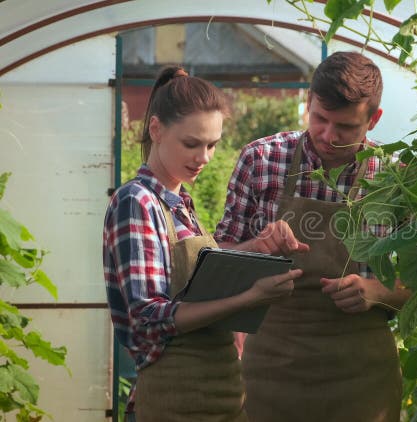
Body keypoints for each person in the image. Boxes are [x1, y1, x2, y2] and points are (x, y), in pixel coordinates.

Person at [216, 51, 412, 421]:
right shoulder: (261, 160)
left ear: (374, 120)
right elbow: (220, 264)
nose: (327, 134)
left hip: (362, 381)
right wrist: (256, 247)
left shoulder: (396, 180)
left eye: (345, 127)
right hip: (271, 374)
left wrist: (378, 292)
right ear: (308, 102)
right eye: (319, 118)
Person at [103, 66, 301, 421]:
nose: (204, 157)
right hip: (173, 399)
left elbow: (200, 274)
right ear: (156, 129)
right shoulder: (137, 202)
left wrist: (257, 247)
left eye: (212, 145)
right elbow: (150, 317)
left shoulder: (181, 204)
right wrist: (249, 298)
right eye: (191, 144)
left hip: (219, 393)